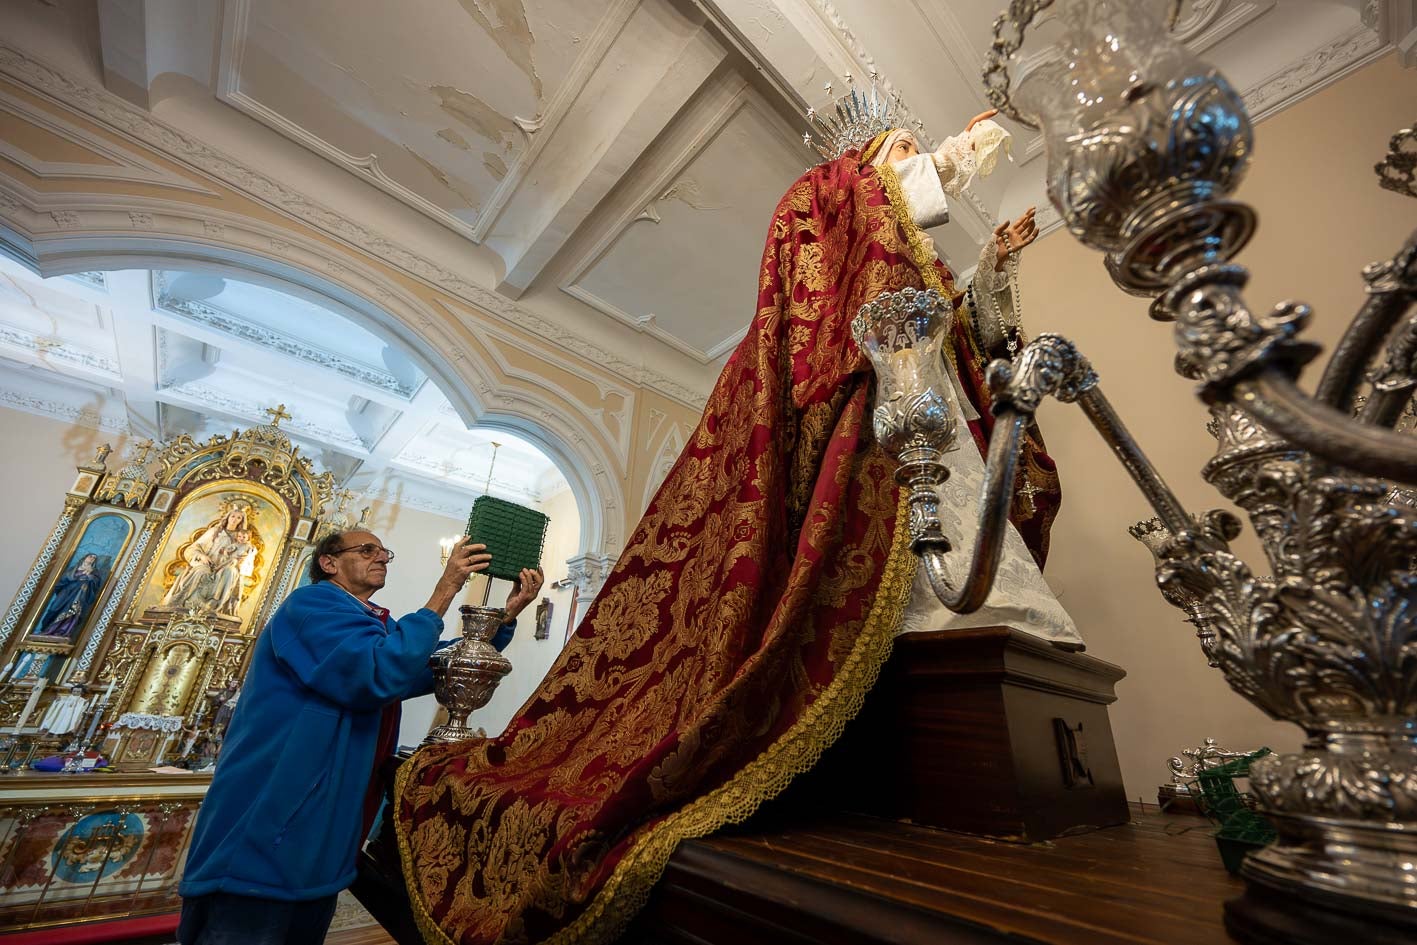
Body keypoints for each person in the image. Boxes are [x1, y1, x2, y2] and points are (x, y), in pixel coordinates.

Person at [396, 108, 1078, 945]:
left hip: (933, 413)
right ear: (862, 174)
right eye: (897, 152)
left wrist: (993, 269)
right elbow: (866, 222)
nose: (913, 164)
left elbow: (965, 329)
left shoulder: (912, 255)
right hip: (876, 414)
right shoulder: (827, 196)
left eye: (913, 153)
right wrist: (953, 153)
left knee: (973, 542)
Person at [177, 529, 544, 945]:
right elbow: (379, 673)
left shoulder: (369, 624)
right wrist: (445, 589)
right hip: (270, 831)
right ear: (328, 563)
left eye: (384, 551)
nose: (382, 558)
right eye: (367, 550)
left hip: (322, 834)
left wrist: (505, 618)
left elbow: (429, 666)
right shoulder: (312, 605)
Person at [33, 553, 103, 639]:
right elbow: (64, 579)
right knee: (54, 608)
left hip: (80, 593)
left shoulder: (94, 571)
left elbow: (96, 583)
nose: (92, 558)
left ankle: (63, 631)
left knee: (73, 611)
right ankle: (47, 629)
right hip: (67, 591)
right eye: (90, 556)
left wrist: (90, 577)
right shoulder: (74, 569)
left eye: (94, 558)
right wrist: (75, 576)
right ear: (85, 557)